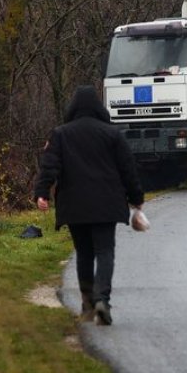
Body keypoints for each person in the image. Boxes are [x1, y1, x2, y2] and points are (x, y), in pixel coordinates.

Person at [34, 85, 144, 326]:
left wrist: (42, 193)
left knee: (84, 253)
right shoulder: (112, 134)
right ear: (98, 107)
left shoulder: (61, 134)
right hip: (106, 203)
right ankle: (102, 299)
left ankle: (87, 304)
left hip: (75, 205)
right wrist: (136, 197)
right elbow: (128, 169)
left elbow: (50, 166)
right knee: (105, 251)